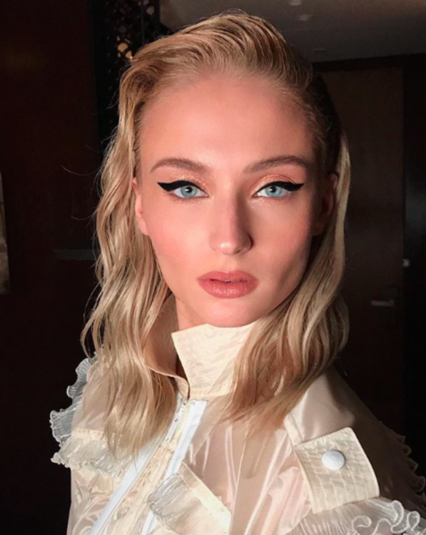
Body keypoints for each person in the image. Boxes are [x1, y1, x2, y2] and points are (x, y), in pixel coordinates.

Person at [50, 10, 426, 534]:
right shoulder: (111, 386)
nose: (230, 238)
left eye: (274, 187)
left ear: (322, 205)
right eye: (185, 187)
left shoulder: (329, 492)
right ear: (138, 205)